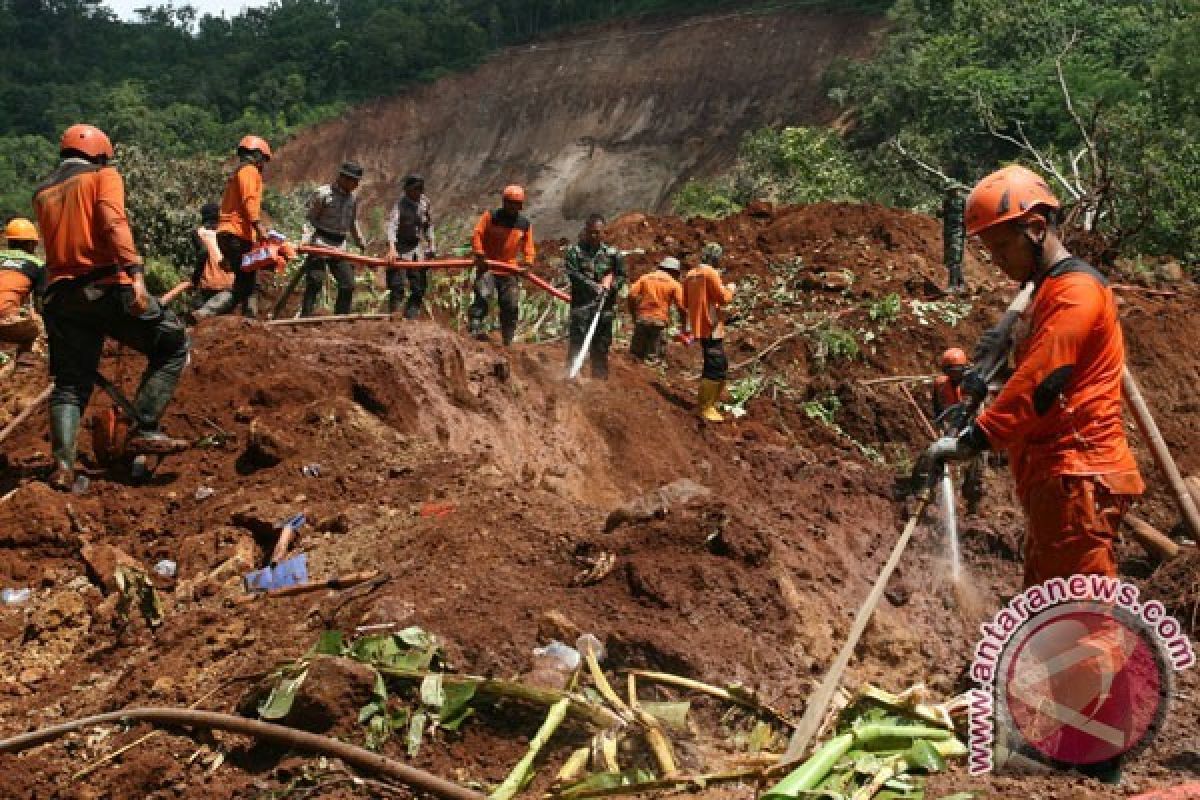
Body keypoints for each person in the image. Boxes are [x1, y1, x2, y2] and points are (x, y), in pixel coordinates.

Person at [924, 165, 1144, 781]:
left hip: (1078, 475)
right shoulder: (1050, 292)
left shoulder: (1074, 295)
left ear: (1037, 227)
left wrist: (975, 437)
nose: (995, 262)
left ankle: (1099, 753)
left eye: (999, 247)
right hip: (1059, 478)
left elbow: (1042, 383)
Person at [33, 123, 189, 490]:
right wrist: (136, 273)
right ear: (100, 154)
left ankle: (63, 468)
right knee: (172, 344)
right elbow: (112, 221)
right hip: (105, 286)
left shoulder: (43, 192)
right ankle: (145, 426)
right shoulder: (104, 176)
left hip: (61, 298)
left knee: (70, 385)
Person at [468, 185, 535, 345]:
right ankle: (474, 330)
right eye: (509, 203)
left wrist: (528, 263)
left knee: (510, 305)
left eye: (516, 203)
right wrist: (479, 252)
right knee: (483, 296)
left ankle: (507, 340)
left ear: (520, 206)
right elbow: (478, 233)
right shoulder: (490, 216)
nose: (512, 207)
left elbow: (529, 247)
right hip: (488, 266)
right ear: (504, 202)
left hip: (509, 269)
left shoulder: (524, 224)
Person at [301, 161, 366, 317]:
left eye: (358, 181)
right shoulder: (323, 194)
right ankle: (306, 315)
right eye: (354, 181)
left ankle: (340, 318)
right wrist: (305, 239)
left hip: (339, 247)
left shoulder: (353, 199)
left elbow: (352, 222)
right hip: (320, 243)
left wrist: (360, 240)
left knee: (348, 284)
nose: (356, 185)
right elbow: (309, 218)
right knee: (315, 281)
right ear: (343, 178)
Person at [564, 214, 625, 379]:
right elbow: (573, 274)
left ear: (603, 233)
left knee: (601, 347)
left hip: (604, 310)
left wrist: (610, 288)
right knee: (577, 344)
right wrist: (594, 287)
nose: (594, 236)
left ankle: (599, 383)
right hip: (582, 308)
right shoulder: (575, 252)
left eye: (597, 233)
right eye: (591, 232)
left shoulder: (613, 255)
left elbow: (620, 276)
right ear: (585, 230)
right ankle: (571, 379)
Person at [217, 134, 272, 317]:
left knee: (244, 281)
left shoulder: (237, 173)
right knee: (247, 285)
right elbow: (249, 201)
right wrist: (259, 227)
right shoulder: (249, 171)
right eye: (263, 159)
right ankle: (208, 313)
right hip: (238, 234)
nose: (263, 164)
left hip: (226, 233)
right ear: (257, 155)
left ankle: (241, 320)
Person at [682, 242, 736, 421]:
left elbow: (685, 301)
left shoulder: (690, 274)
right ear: (716, 258)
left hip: (699, 325)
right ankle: (705, 407)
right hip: (711, 326)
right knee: (716, 366)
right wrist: (730, 289)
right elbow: (723, 298)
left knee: (716, 364)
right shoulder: (710, 273)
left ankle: (710, 403)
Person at [930, 346, 984, 514]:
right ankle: (930, 495)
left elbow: (972, 410)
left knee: (976, 469)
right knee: (936, 457)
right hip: (950, 426)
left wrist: (959, 430)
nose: (952, 375)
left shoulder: (972, 386)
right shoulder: (940, 385)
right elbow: (937, 407)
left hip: (973, 429)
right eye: (949, 371)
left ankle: (972, 506)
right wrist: (941, 426)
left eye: (955, 371)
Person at [160, 203, 235, 321]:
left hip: (207, 284)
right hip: (228, 284)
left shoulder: (198, 232)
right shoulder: (228, 233)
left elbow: (203, 252)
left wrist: (194, 279)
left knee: (197, 309)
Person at [385, 174, 436, 319]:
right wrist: (392, 249)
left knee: (418, 286)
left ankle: (410, 317)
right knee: (397, 285)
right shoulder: (400, 205)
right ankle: (394, 317)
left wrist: (431, 244)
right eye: (414, 189)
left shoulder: (425, 203)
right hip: (399, 247)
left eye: (420, 189)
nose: (417, 192)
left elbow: (428, 225)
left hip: (416, 248)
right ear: (407, 190)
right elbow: (392, 227)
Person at [0, 218, 47, 356]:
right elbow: (40, 304)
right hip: (4, 320)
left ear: (9, 242)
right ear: (31, 244)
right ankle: (25, 363)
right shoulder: (37, 264)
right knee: (41, 328)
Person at [627, 256, 685, 362]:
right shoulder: (674, 284)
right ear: (674, 271)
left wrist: (633, 314)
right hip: (659, 322)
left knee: (635, 356)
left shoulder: (645, 278)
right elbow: (681, 307)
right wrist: (684, 324)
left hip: (642, 319)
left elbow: (631, 294)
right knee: (652, 358)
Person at [943, 183, 967, 292]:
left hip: (958, 232)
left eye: (955, 190)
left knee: (955, 259)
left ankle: (953, 285)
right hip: (948, 232)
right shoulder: (947, 201)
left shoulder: (963, 201)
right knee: (950, 260)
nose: (954, 192)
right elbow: (943, 214)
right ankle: (960, 283)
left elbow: (967, 215)